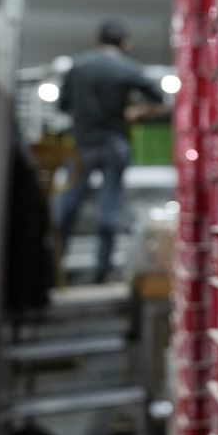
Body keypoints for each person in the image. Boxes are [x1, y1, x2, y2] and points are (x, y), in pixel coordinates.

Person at [55, 21, 164, 283]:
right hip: (114, 142)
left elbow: (62, 105)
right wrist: (133, 113)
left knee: (68, 205)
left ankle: (54, 265)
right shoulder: (128, 68)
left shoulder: (78, 66)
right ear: (125, 43)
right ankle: (103, 271)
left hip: (82, 144)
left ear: (98, 40)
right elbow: (158, 99)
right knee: (110, 206)